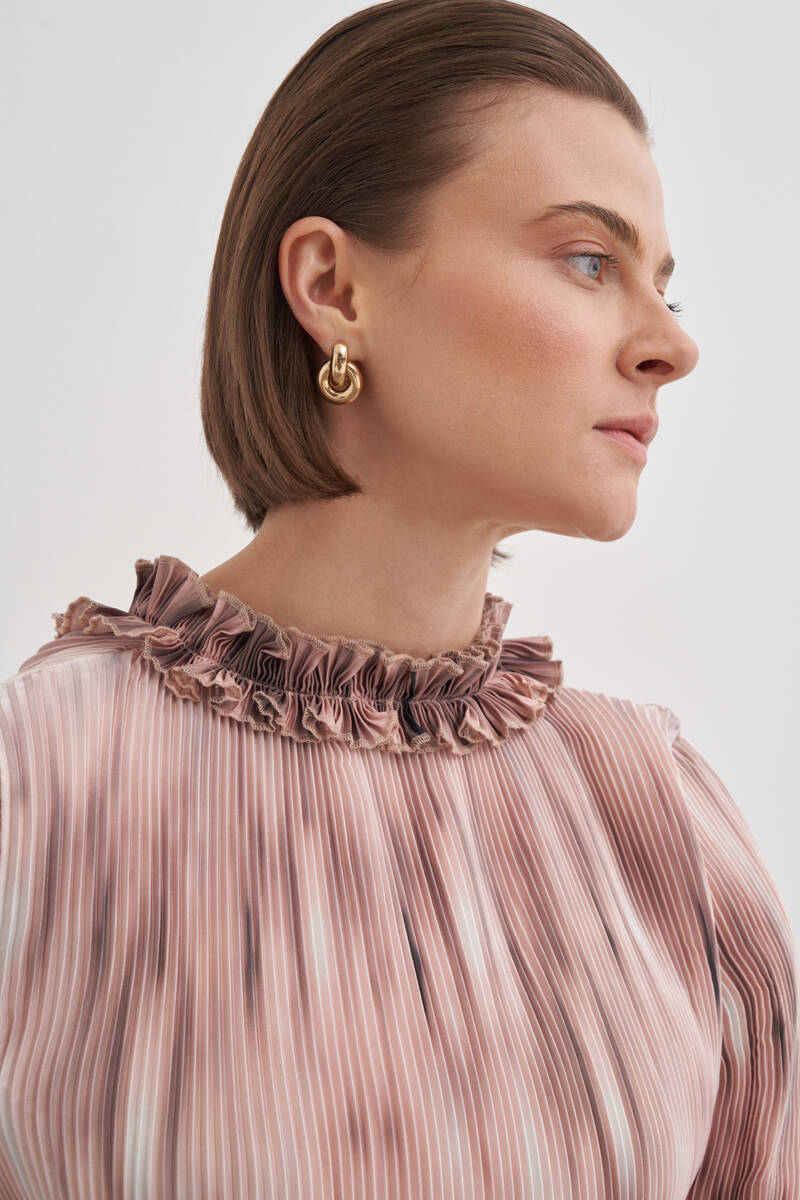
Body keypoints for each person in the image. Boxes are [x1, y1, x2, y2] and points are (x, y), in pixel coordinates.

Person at [1, 0, 797, 1195]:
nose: (668, 348)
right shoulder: (44, 786)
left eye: (664, 290)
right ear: (332, 288)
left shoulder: (656, 816)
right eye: (589, 260)